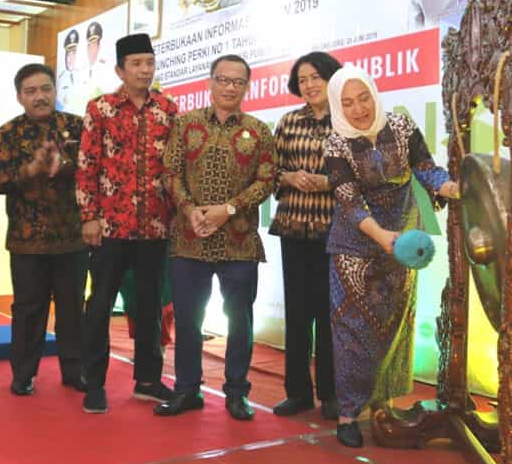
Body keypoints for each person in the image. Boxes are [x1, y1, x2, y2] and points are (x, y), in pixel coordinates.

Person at [323, 65, 460, 447]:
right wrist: (381, 236)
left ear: (374, 94)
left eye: (363, 98)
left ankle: (382, 405)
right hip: (354, 250)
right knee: (353, 333)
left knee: (393, 329)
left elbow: (425, 169)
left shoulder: (400, 126)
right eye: (348, 103)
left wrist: (448, 186)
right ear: (338, 107)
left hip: (402, 244)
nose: (359, 109)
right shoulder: (336, 143)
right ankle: (348, 415)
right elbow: (350, 202)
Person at [155, 54, 276, 421]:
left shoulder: (259, 131)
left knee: (239, 321)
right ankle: (186, 389)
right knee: (188, 319)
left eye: (237, 82)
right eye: (223, 79)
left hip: (238, 242)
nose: (229, 87)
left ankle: (237, 393)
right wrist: (189, 209)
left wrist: (229, 209)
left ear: (246, 87)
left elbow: (266, 180)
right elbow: (170, 172)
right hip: (189, 238)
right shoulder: (185, 124)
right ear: (210, 82)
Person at [76, 33, 177, 414]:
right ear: (120, 70)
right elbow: (87, 165)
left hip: (155, 226)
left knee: (150, 305)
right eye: (136, 64)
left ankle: (148, 381)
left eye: (149, 63)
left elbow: (174, 167)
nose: (144, 70)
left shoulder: (167, 109)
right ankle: (93, 383)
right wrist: (89, 217)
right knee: (100, 305)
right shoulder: (100, 108)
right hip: (110, 226)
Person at [0, 63, 88, 396]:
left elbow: (93, 170)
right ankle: (23, 374)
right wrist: (31, 169)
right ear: (19, 96)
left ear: (55, 91)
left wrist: (65, 165)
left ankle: (75, 371)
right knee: (28, 309)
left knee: (72, 308)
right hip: (26, 239)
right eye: (31, 91)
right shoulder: (7, 133)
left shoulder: (76, 126)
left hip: (71, 235)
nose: (40, 96)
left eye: (45, 89)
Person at [270, 52, 341, 421]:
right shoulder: (288, 122)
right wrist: (288, 177)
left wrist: (329, 181)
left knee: (331, 315)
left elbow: (362, 172)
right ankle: (297, 393)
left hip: (337, 231)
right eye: (303, 80)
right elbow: (269, 169)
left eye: (316, 77)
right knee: (297, 314)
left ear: (331, 77)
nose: (310, 85)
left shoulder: (348, 119)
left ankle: (332, 394)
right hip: (294, 228)